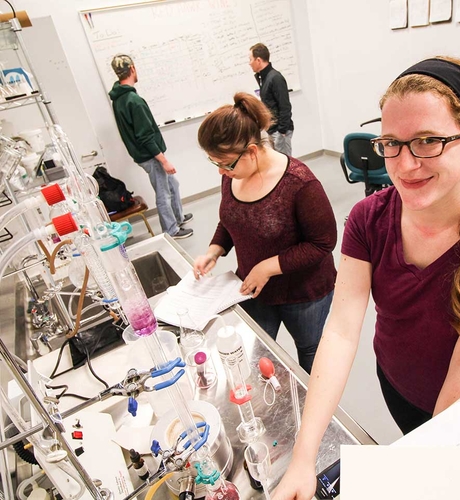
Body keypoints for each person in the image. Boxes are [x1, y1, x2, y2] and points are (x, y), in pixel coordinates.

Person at [273, 56, 460, 500]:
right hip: (395, 383)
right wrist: (304, 459)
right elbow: (339, 331)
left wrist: (428, 471)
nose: (405, 164)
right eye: (391, 144)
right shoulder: (368, 219)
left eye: (428, 141)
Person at [193, 92, 337, 373]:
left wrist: (267, 268)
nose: (222, 172)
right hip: (254, 288)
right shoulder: (235, 174)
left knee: (309, 353)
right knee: (256, 350)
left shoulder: (299, 183)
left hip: (304, 293)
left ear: (251, 152)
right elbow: (232, 219)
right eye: (216, 164)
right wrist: (214, 250)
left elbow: (322, 243)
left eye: (226, 164)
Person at [109, 54, 193, 239]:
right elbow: (145, 136)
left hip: (143, 154)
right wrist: (163, 161)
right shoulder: (133, 100)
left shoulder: (119, 99)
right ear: (132, 69)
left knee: (173, 185)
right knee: (164, 193)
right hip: (150, 156)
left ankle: (178, 218)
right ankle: (171, 230)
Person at [249, 43, 294, 156]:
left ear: (258, 60)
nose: (249, 63)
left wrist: (282, 131)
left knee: (286, 164)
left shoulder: (275, 77)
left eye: (250, 59)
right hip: (273, 130)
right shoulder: (264, 78)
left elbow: (285, 106)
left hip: (279, 131)